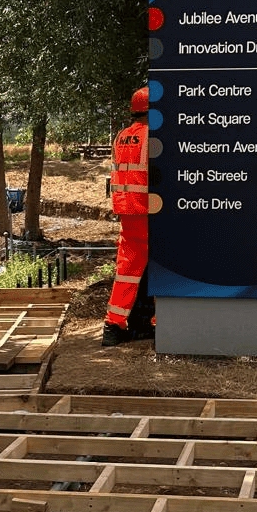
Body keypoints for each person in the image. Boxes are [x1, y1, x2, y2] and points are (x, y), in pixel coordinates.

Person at [103, 84, 160, 346]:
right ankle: (159, 323)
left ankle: (113, 326)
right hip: (150, 211)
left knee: (127, 270)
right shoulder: (154, 137)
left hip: (128, 211)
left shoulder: (121, 137)